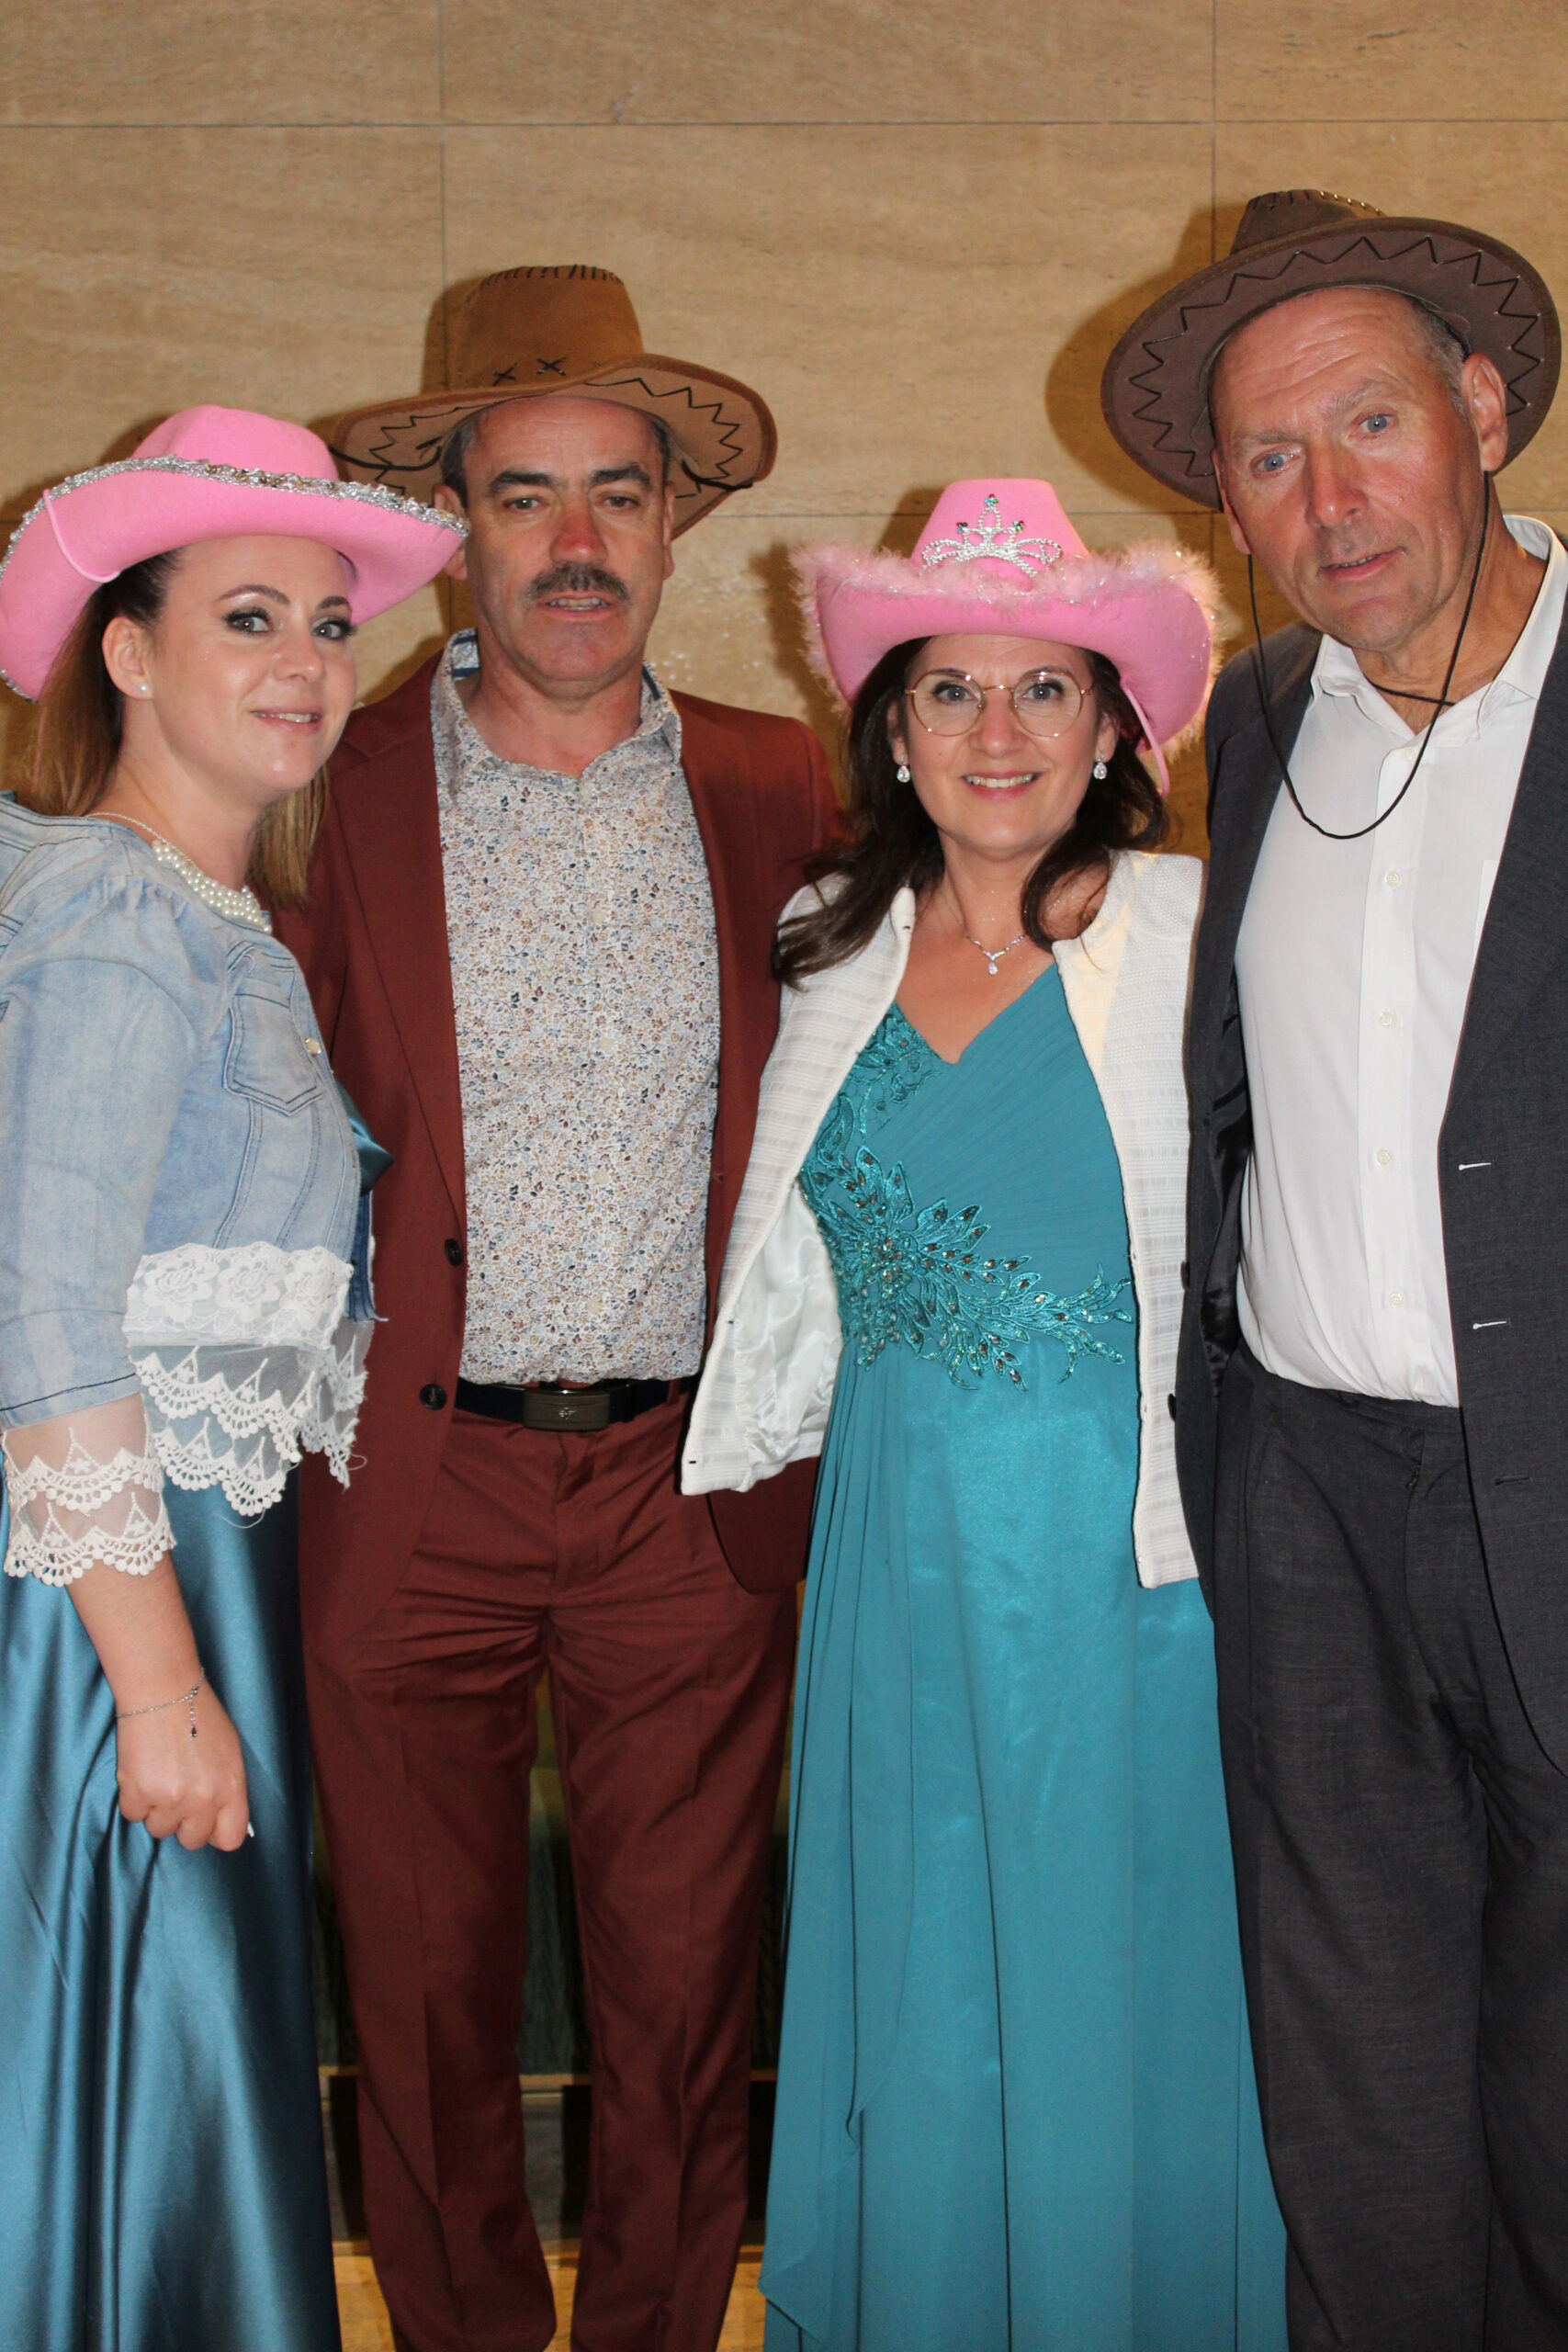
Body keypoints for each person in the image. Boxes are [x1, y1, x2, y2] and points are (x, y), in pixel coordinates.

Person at [275, 265, 838, 2352]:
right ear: (454, 529)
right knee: (421, 2003)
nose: (575, 539)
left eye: (618, 490)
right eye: (525, 494)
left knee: (681, 2005)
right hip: (408, 1477)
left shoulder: (786, 787)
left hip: (684, 1486)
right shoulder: (324, 785)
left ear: (675, 524)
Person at [682, 478, 1287, 2350]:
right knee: (927, 1961)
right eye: (950, 689)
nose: (997, 729)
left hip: (1131, 1568)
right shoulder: (823, 941)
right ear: (890, 726)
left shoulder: (1196, 925)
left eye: (1045, 688)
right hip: (894, 1560)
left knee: (1119, 1952)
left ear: (1113, 729)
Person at [1103, 189, 1568, 2349]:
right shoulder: (1265, 716)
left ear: (1478, 408)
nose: (1329, 499)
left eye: (1367, 422)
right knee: (1356, 2103)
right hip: (1307, 1505)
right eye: (1270, 458)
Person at [0, 406, 460, 2350]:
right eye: (248, 618)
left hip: (190, 1580)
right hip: (114, 1605)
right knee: (139, 2058)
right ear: (126, 649)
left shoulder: (216, 921)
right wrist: (161, 1686)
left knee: (173, 2066)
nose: (306, 663)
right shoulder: (116, 918)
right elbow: (40, 1311)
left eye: (330, 624)